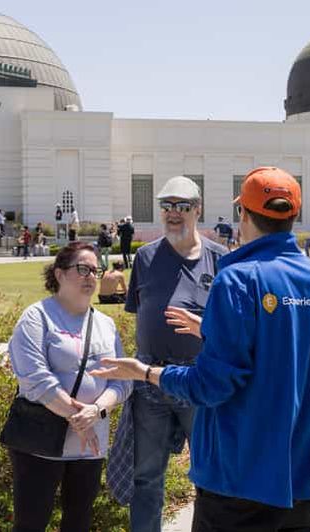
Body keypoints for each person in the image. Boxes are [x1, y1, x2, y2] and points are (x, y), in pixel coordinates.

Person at [94, 167, 310, 532]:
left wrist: (146, 372)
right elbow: (277, 346)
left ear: (243, 213)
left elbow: (212, 384)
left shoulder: (238, 278)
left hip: (239, 476)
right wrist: (210, 327)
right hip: (299, 475)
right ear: (293, 215)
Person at [107, 175, 227, 532]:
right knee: (146, 477)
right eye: (167, 206)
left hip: (199, 382)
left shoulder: (221, 260)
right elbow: (138, 311)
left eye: (183, 206)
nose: (174, 213)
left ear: (198, 210)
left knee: (210, 474)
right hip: (150, 383)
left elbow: (235, 326)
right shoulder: (145, 257)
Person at [7, 242, 133, 532]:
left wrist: (97, 411)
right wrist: (79, 420)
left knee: (79, 522)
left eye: (95, 270)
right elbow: (36, 379)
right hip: (40, 444)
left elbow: (122, 382)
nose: (91, 276)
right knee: (31, 523)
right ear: (60, 273)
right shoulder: (36, 317)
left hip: (90, 447)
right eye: (82, 269)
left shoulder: (105, 324)